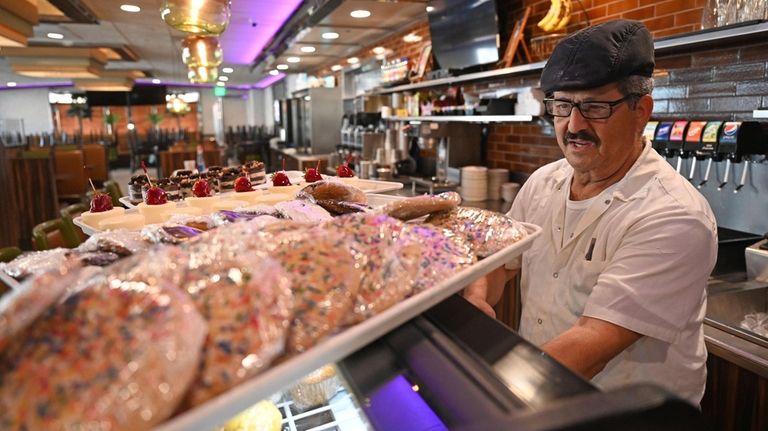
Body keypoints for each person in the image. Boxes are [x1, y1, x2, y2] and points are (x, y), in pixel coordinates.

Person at [464, 19, 717, 405]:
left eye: (595, 107)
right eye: (563, 105)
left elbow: (591, 345)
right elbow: (499, 262)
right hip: (540, 396)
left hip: (623, 418)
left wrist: (488, 390)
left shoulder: (673, 215)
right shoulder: (543, 183)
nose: (574, 125)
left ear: (641, 110)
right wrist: (478, 299)